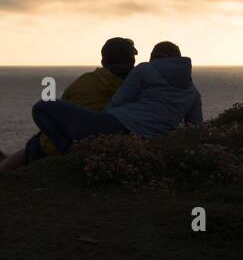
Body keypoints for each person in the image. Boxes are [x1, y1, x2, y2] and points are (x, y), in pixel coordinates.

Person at [31, 41, 202, 153]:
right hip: (147, 141)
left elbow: (119, 100)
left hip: (115, 125)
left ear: (157, 57)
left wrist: (97, 127)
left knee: (42, 107)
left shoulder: (144, 70)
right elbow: (195, 129)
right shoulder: (193, 93)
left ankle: (67, 151)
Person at [0, 37, 136, 173]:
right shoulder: (138, 86)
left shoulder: (83, 81)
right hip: (109, 143)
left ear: (103, 61)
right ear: (132, 61)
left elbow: (60, 111)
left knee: (35, 145)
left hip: (58, 145)